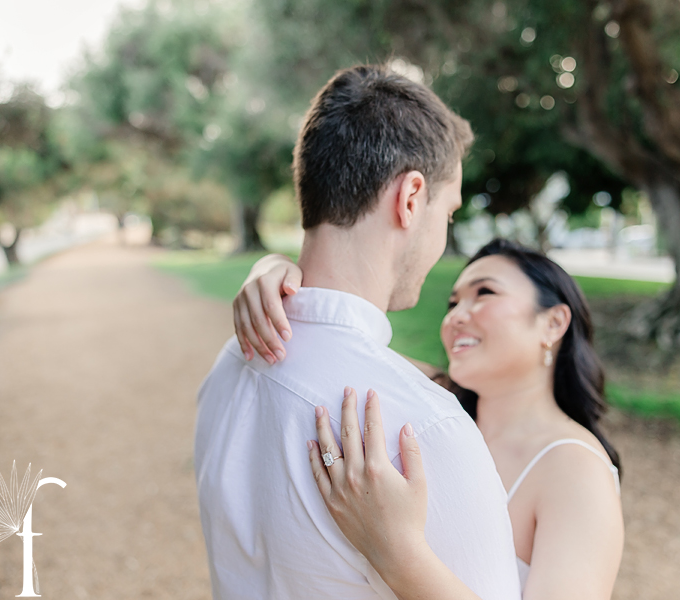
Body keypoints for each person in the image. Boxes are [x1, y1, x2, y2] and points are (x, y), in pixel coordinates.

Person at [194, 64, 522, 600]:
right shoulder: (426, 428)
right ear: (411, 199)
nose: (444, 234)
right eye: (449, 212)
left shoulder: (229, 366)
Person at [233, 238, 624, 599]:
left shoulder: (575, 469)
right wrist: (271, 270)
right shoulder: (434, 403)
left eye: (484, 293)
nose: (455, 316)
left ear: (553, 323)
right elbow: (330, 343)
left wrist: (395, 551)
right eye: (452, 303)